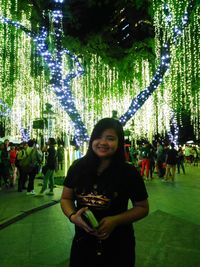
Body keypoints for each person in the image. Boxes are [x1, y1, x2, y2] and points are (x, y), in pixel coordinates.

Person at [60, 118, 149, 267]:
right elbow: (66, 198)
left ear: (119, 142)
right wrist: (73, 216)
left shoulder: (128, 172)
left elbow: (143, 208)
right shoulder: (78, 167)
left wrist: (115, 221)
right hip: (83, 244)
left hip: (119, 246)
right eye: (98, 137)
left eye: (110, 138)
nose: (102, 142)